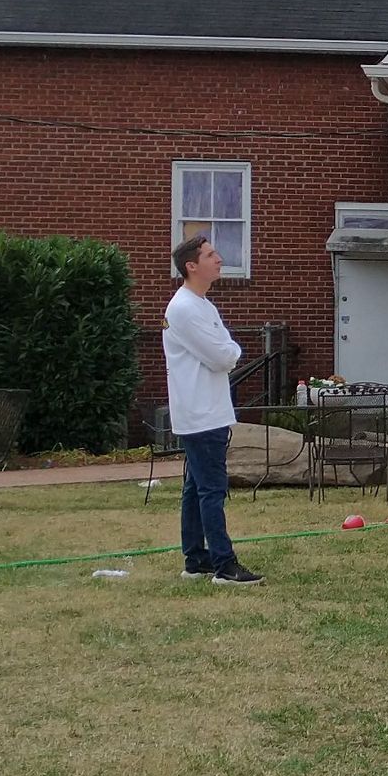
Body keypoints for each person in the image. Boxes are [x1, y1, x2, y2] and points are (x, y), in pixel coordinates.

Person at [163, 233, 263, 586]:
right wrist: (231, 350)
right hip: (200, 413)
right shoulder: (184, 309)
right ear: (192, 266)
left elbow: (224, 349)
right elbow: (223, 355)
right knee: (212, 489)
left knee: (195, 487)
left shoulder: (203, 305)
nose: (218, 259)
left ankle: (196, 559)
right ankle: (224, 565)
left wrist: (228, 349)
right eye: (210, 255)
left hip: (210, 410)